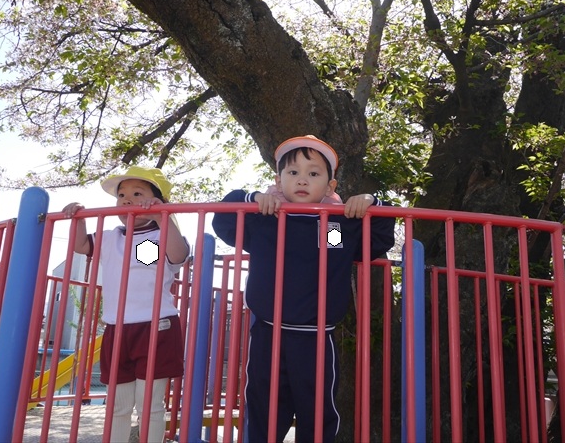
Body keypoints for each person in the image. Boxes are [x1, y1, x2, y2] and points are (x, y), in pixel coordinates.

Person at [212, 135, 395, 442]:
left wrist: (371, 203)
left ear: (330, 186)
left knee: (318, 412)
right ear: (278, 180)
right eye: (293, 172)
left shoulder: (335, 226)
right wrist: (252, 198)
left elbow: (378, 239)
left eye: (313, 173)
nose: (302, 180)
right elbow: (223, 219)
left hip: (316, 336)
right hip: (269, 333)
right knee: (263, 407)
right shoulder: (265, 219)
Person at [63, 166, 190, 443]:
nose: (127, 200)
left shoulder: (160, 236)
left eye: (137, 193)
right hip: (117, 327)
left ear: (158, 201)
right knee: (117, 405)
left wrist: (162, 215)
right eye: (121, 195)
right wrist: (78, 218)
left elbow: (178, 255)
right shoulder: (110, 237)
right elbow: (80, 246)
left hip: (156, 326)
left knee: (150, 405)